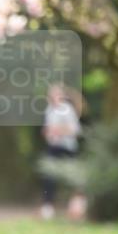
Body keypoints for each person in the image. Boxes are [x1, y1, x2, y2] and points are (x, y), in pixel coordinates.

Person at [40, 84, 83, 220]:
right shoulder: (49, 110)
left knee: (72, 179)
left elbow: (75, 130)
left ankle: (76, 207)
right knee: (48, 177)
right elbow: (48, 129)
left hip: (67, 148)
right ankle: (48, 207)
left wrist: (59, 131)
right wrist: (47, 132)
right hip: (53, 147)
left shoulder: (67, 110)